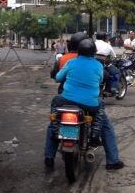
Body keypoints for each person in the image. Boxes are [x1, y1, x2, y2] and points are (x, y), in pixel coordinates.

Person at [44, 38, 124, 171]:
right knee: (105, 124)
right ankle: (112, 160)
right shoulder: (98, 65)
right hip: (90, 104)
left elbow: (58, 78)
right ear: (93, 52)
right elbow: (100, 79)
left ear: (78, 51)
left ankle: (49, 157)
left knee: (54, 120)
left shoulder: (71, 62)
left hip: (67, 100)